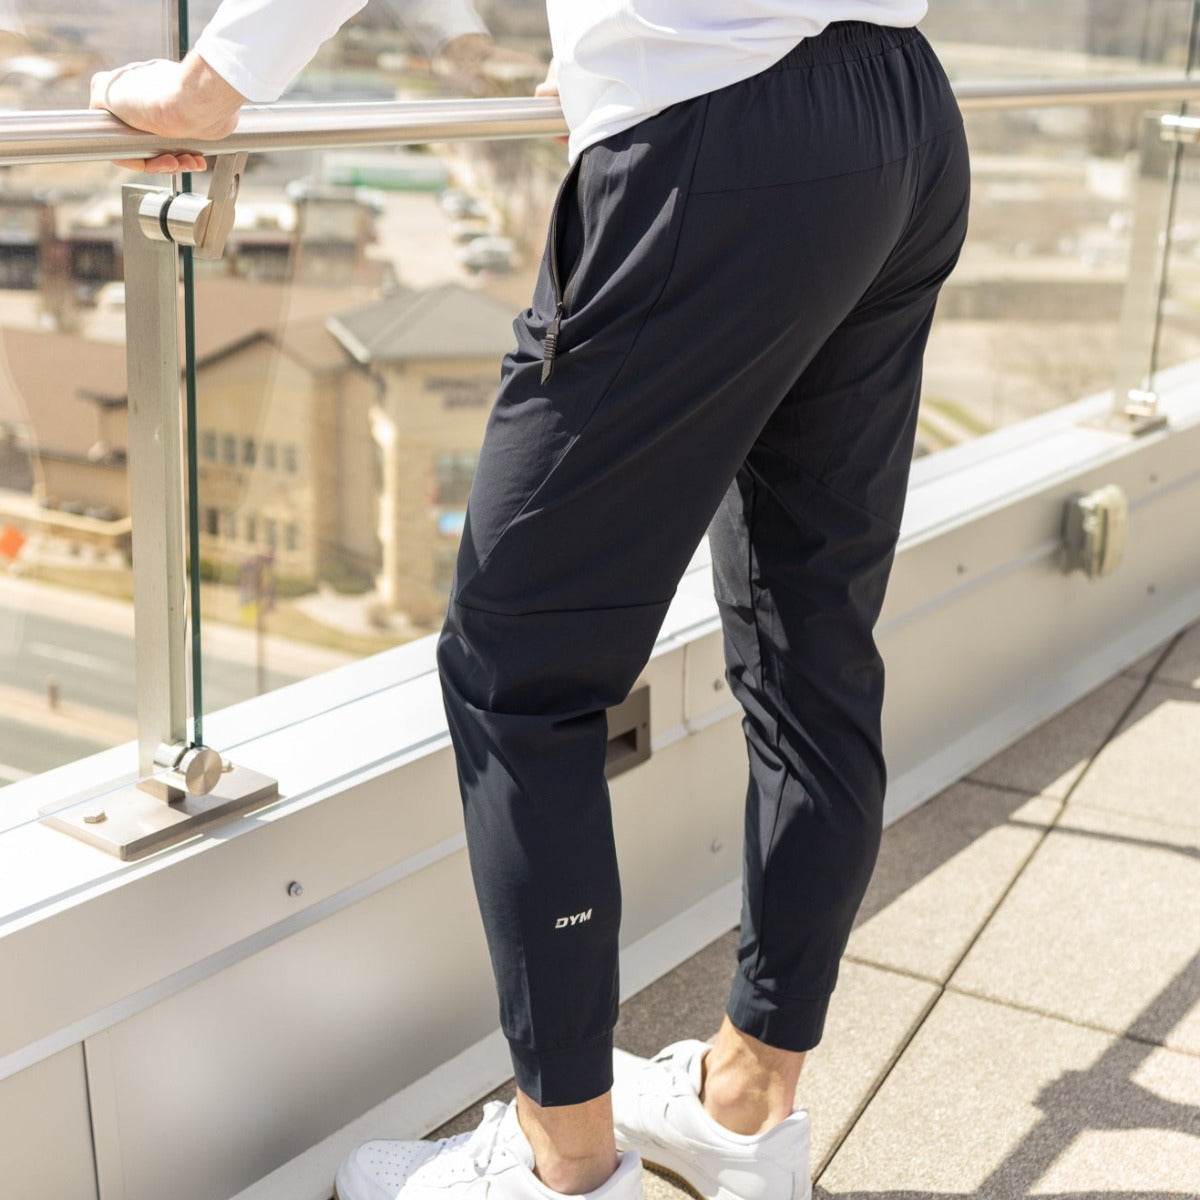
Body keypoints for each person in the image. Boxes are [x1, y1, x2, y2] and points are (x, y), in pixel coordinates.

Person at [93, 5, 969, 1200]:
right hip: (902, 112)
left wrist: (219, 76)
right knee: (811, 633)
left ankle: (564, 1165)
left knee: (518, 672)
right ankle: (747, 1111)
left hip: (723, 123)